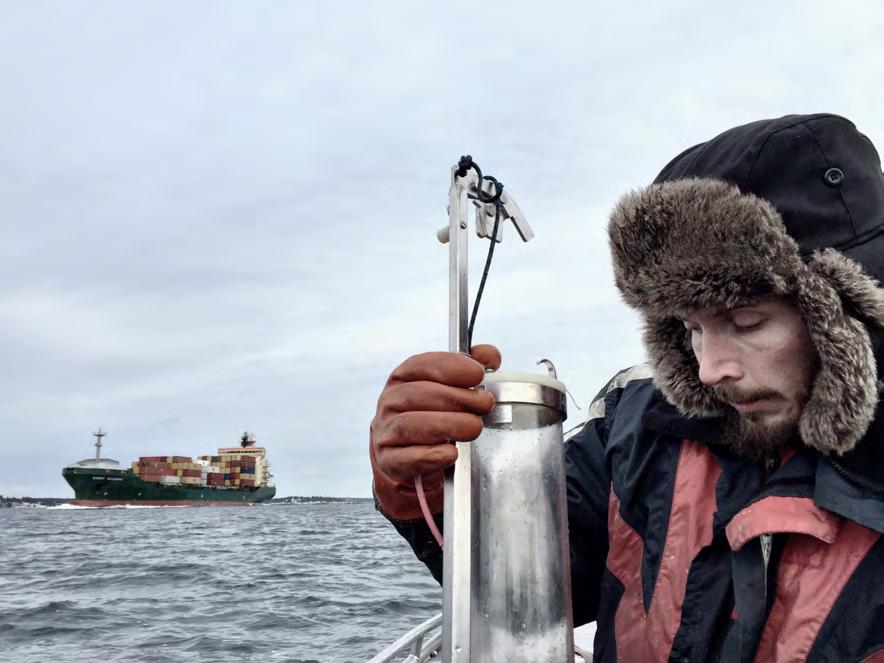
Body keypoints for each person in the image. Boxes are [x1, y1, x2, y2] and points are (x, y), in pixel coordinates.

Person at [369, 113, 884, 661]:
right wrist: (422, 488)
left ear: (845, 308)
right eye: (691, 329)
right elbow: (530, 581)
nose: (710, 371)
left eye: (747, 321)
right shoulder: (636, 429)